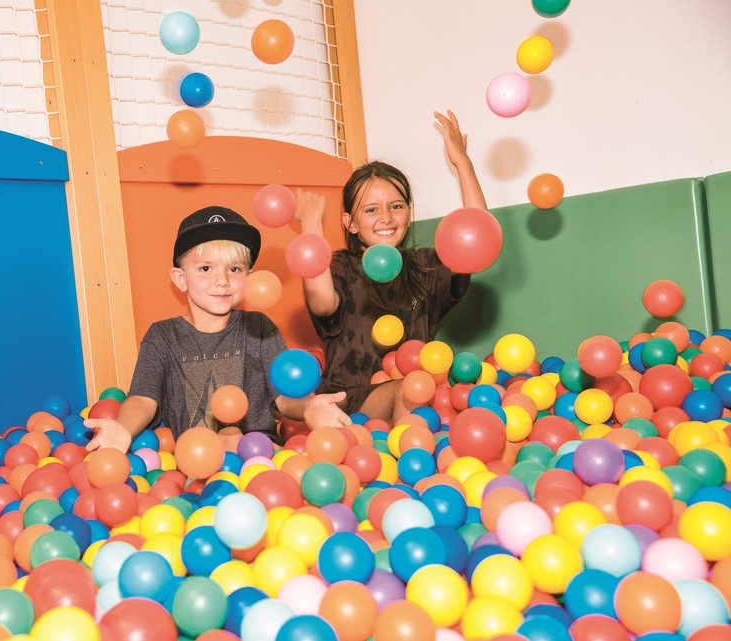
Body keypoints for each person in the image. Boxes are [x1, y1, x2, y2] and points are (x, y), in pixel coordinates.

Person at [85, 206, 351, 453]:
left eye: (234, 269)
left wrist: (308, 407)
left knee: (233, 436)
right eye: (205, 268)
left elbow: (284, 398)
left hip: (258, 454)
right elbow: (143, 398)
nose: (222, 280)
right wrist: (123, 428)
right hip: (194, 458)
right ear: (180, 278)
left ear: (249, 278)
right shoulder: (162, 337)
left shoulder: (259, 327)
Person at [296, 110, 488, 425]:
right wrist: (311, 226)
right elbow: (321, 301)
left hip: (418, 393)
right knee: (411, 390)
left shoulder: (425, 266)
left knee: (459, 394)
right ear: (351, 223)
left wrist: (462, 163)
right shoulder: (341, 266)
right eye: (371, 210)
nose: (385, 217)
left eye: (396, 206)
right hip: (347, 402)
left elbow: (478, 242)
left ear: (408, 214)